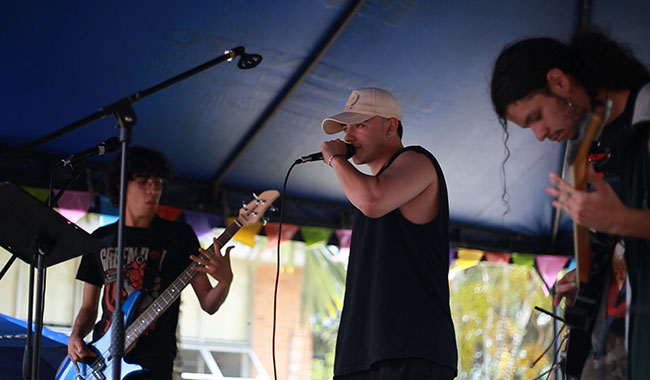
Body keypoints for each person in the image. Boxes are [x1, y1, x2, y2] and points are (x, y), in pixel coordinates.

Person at [490, 29, 650, 379]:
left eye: (536, 116)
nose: (540, 134)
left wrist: (621, 220)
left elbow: (629, 222)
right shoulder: (593, 144)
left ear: (559, 82)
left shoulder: (645, 113)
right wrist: (594, 273)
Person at [319, 87, 458, 379]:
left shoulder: (418, 161)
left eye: (359, 125)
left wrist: (336, 159)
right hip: (363, 352)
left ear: (390, 126)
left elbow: (373, 200)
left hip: (410, 349)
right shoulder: (370, 188)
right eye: (346, 128)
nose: (348, 137)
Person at [66, 147, 234, 380]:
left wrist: (225, 282)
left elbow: (208, 303)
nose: (153, 189)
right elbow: (88, 308)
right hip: (100, 360)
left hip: (154, 363)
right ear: (121, 185)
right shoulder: (100, 239)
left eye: (158, 182)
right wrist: (75, 335)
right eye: (143, 182)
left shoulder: (179, 236)